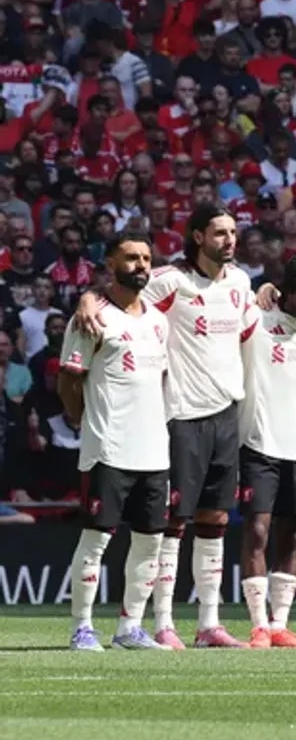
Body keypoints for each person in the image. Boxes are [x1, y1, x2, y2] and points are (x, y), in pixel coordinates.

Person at [74, 203, 256, 650]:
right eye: (219, 233)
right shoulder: (171, 281)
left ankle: (209, 623)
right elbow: (123, 290)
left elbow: (257, 321)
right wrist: (87, 298)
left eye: (233, 232)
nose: (229, 240)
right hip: (181, 415)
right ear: (198, 237)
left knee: (215, 518)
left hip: (226, 413)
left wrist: (269, 290)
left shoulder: (240, 281)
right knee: (173, 522)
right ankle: (162, 621)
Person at [58, 233, 171, 651]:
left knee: (150, 541)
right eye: (131, 258)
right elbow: (69, 379)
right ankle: (82, 627)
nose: (141, 265)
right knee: (97, 538)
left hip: (154, 449)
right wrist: (83, 420)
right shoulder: (92, 317)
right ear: (110, 263)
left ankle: (130, 627)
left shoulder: (158, 320)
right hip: (108, 447)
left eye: (146, 258)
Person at [236, 255, 296, 649]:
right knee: (258, 530)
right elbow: (229, 297)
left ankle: (279, 625)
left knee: (292, 535)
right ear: (288, 289)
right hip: (259, 444)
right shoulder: (258, 320)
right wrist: (261, 287)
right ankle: (258, 625)